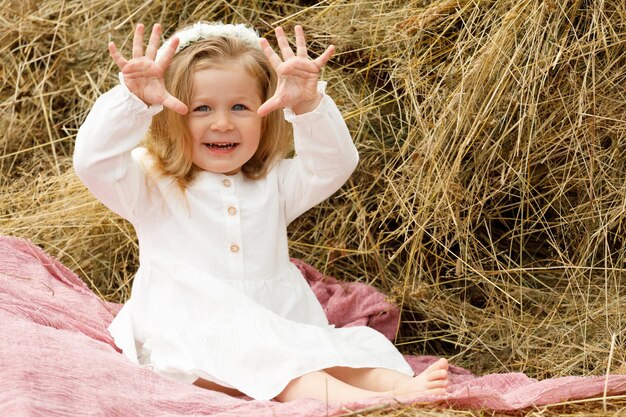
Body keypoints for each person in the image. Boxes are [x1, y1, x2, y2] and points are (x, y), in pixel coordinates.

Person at [73, 21, 449, 404]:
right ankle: (377, 401)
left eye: (240, 107)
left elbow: (333, 165)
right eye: (202, 108)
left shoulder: (273, 182)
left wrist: (308, 104)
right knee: (277, 368)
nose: (223, 122)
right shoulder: (151, 183)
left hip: (279, 318)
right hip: (189, 331)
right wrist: (133, 100)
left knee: (337, 354)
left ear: (265, 115)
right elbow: (92, 161)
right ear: (172, 115)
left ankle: (393, 385)